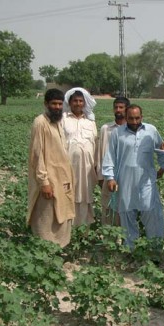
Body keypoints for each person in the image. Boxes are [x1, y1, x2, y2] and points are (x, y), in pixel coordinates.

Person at [102, 104, 164, 249]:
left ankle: (154, 249)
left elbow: (161, 148)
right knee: (127, 215)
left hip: (147, 180)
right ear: (126, 118)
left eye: (137, 118)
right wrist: (110, 177)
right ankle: (130, 249)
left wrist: (162, 166)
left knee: (151, 212)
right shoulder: (118, 133)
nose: (134, 121)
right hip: (125, 180)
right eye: (131, 118)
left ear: (142, 117)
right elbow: (110, 156)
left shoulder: (151, 130)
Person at [27, 88, 75, 247]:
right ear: (46, 104)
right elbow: (37, 154)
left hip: (62, 178)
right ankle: (44, 250)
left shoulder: (58, 122)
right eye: (54, 103)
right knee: (46, 218)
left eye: (60, 104)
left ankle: (59, 249)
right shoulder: (40, 122)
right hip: (49, 180)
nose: (57, 107)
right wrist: (44, 182)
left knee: (62, 214)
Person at [62, 87, 98, 227]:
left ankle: (83, 228)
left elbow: (95, 144)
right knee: (69, 196)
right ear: (70, 103)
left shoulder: (90, 122)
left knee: (85, 197)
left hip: (87, 168)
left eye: (80, 101)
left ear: (84, 103)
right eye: (75, 101)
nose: (78, 104)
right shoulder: (63, 120)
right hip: (69, 167)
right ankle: (68, 229)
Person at [96, 97, 130, 226]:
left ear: (127, 109)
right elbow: (101, 151)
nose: (118, 110)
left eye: (121, 107)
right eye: (116, 107)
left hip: (126, 175)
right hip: (109, 174)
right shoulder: (106, 128)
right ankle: (109, 237)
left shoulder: (131, 128)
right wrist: (100, 175)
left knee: (125, 206)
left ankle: (123, 239)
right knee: (108, 205)